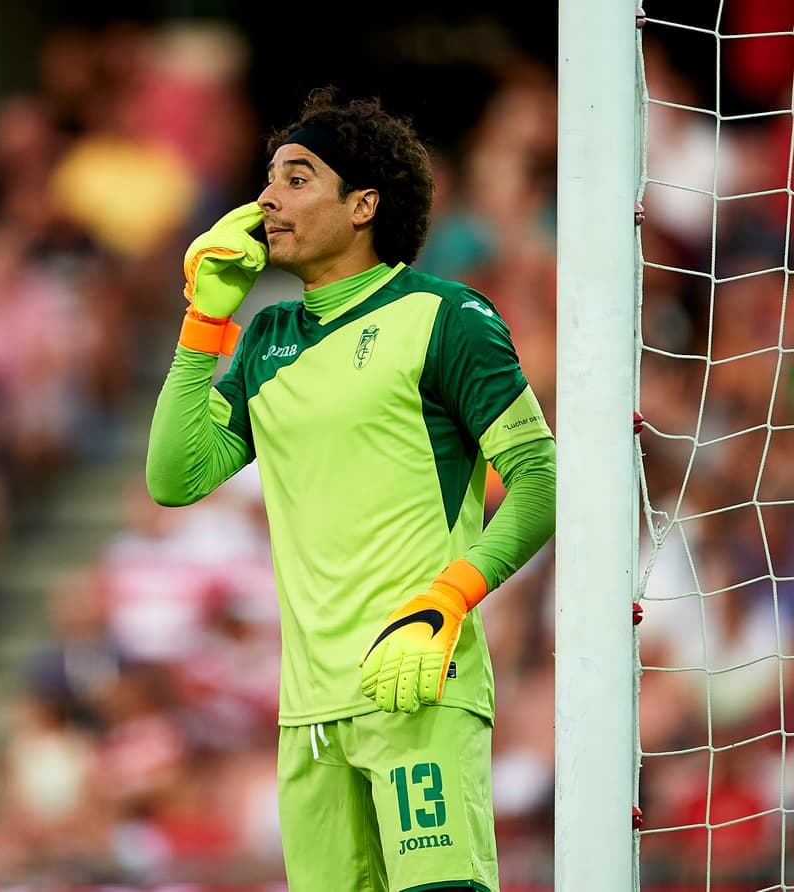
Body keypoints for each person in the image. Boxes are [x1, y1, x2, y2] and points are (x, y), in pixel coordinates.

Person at [146, 87, 556, 891]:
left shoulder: (445, 317)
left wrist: (447, 600)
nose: (266, 197)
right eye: (267, 179)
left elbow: (540, 480)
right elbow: (174, 474)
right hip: (308, 715)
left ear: (364, 203)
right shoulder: (267, 337)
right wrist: (204, 320)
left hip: (416, 687)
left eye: (297, 178)